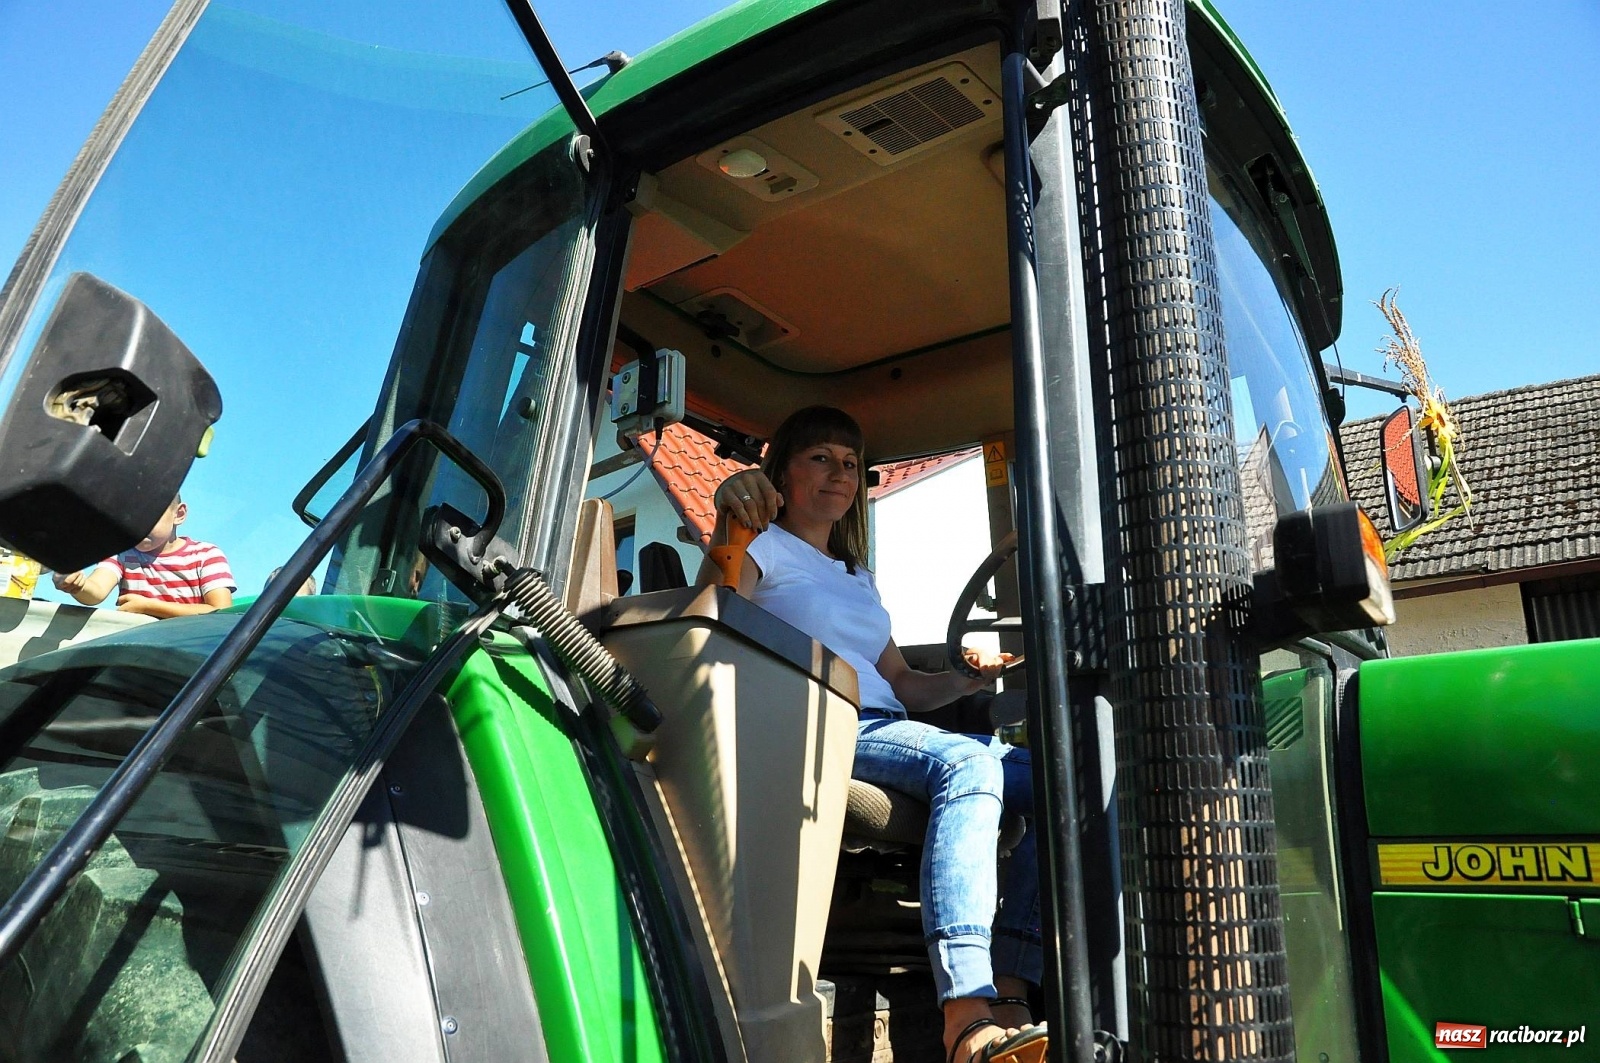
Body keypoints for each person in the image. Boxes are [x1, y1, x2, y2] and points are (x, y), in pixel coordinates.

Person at [701, 406, 1046, 1063]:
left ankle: (1011, 986)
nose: (839, 473)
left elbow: (904, 683)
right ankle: (966, 1011)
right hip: (825, 726)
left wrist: (965, 681)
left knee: (1066, 778)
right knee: (969, 767)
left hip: (891, 727)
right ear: (783, 473)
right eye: (820, 458)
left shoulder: (858, 578)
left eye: (851, 463)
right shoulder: (760, 545)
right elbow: (714, 622)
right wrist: (729, 528)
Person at [53, 495, 235, 617]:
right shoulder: (122, 553)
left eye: (150, 517)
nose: (138, 527)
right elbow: (96, 592)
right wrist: (78, 584)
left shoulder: (206, 555)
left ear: (178, 514)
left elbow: (219, 612)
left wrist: (148, 607)